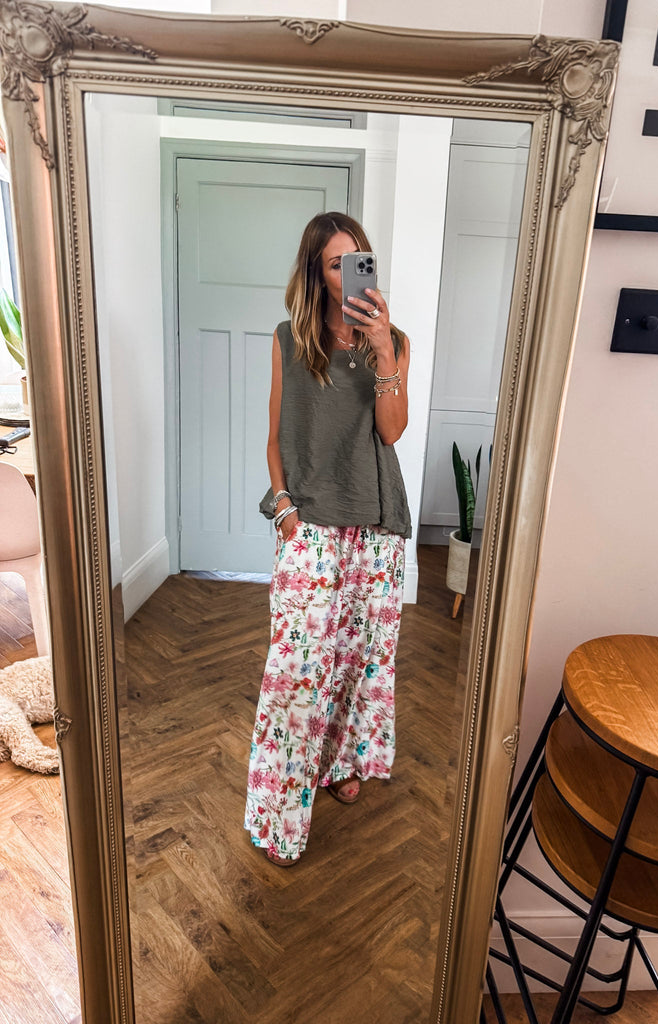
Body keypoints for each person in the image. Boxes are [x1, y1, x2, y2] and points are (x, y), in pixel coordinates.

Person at [244, 212, 412, 866]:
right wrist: (283, 508)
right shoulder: (290, 340)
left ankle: (340, 761)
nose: (349, 272)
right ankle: (278, 817)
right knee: (296, 672)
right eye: (337, 263)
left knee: (357, 660)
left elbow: (391, 432)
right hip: (310, 521)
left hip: (375, 525)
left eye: (358, 258)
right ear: (317, 272)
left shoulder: (392, 341)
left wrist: (385, 352)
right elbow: (274, 435)